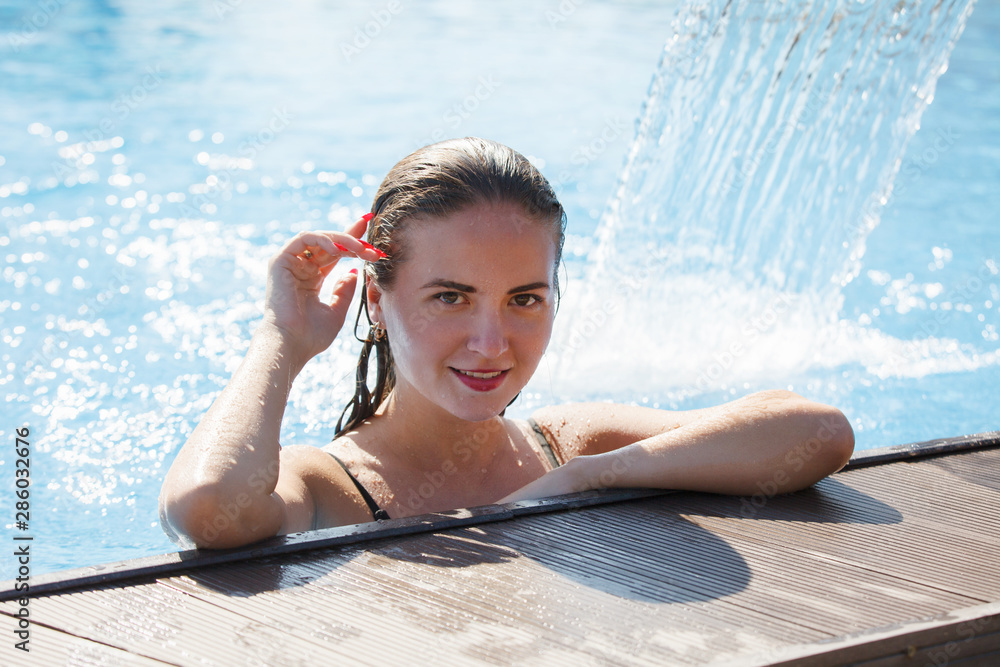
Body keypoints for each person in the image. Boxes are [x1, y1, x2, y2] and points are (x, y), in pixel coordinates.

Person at [159, 137, 854, 549]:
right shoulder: (328, 486)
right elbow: (210, 508)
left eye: (525, 299)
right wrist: (282, 340)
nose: (491, 342)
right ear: (377, 297)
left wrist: (572, 482)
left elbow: (815, 430)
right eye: (450, 296)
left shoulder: (568, 443)